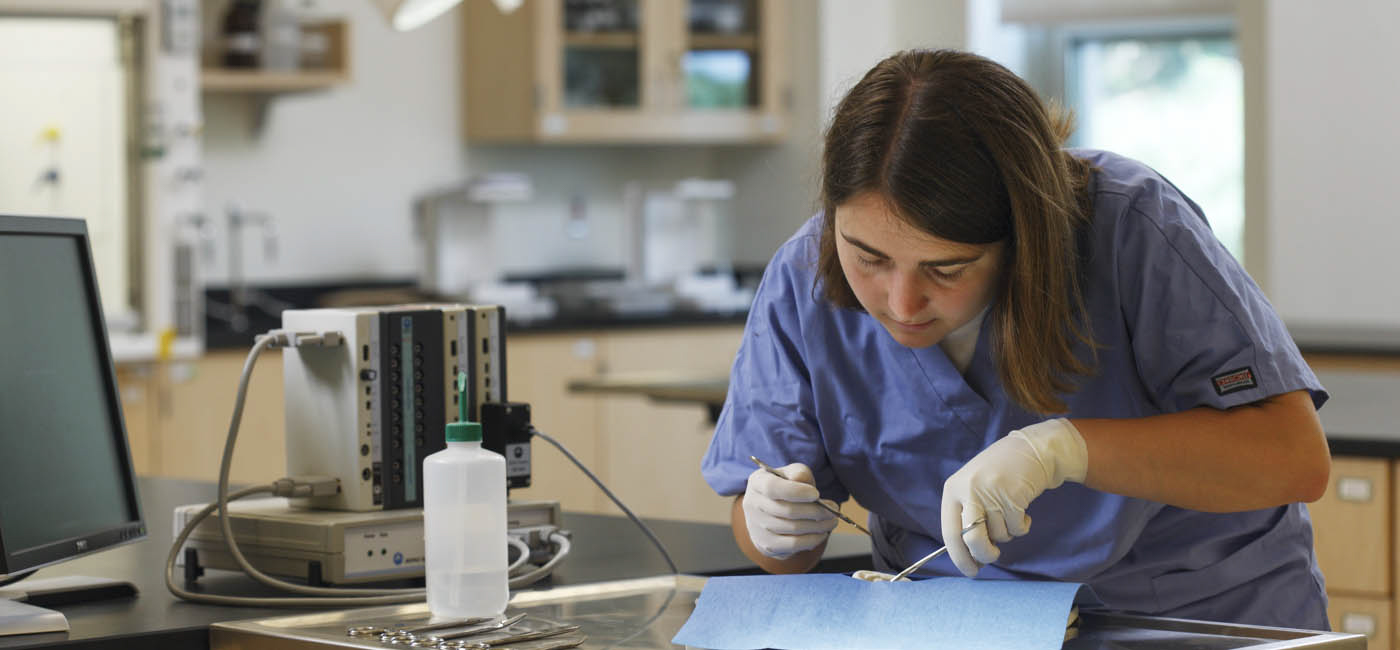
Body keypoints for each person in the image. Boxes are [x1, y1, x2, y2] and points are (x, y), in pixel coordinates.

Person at [700, 48, 1331, 628]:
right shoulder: (803, 277)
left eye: (947, 269)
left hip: (1193, 618)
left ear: (1024, 237)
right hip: (955, 624)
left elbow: (1292, 458)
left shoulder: (1131, 227)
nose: (900, 303)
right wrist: (775, 525)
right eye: (868, 258)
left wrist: (1064, 449)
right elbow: (782, 554)